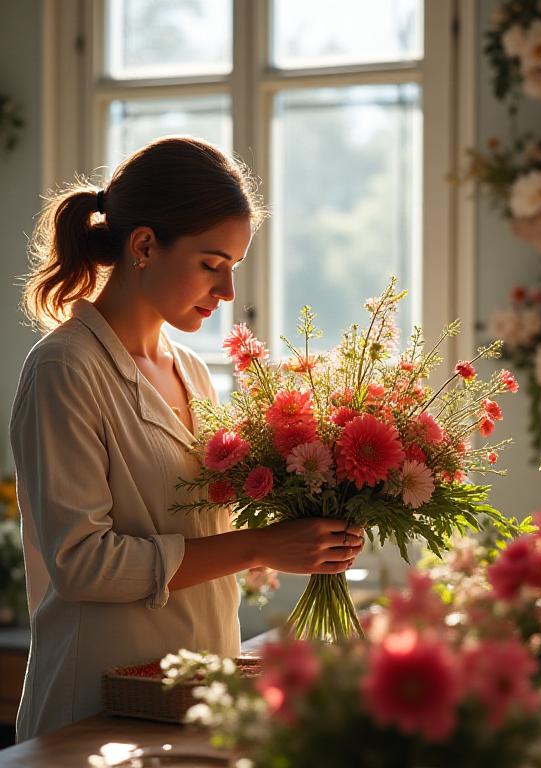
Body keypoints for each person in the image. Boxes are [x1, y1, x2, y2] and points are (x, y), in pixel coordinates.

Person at [9, 136, 364, 741]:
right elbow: (81, 564)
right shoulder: (65, 370)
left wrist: (308, 521)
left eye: (233, 269)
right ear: (144, 245)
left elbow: (197, 533)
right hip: (96, 708)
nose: (227, 294)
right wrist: (260, 547)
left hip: (197, 699)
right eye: (212, 264)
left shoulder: (192, 372)